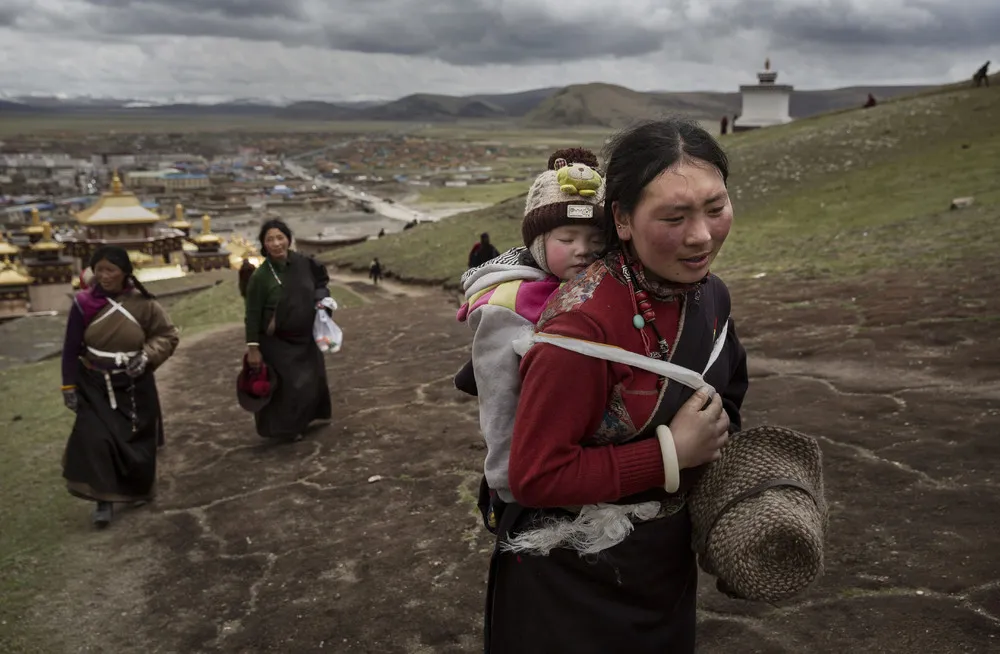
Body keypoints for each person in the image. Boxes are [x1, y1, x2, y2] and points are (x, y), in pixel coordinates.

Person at [484, 118, 749, 653]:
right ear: (622, 219)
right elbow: (535, 475)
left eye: (715, 208)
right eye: (674, 217)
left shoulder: (708, 294)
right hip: (567, 586)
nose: (701, 236)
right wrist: (669, 454)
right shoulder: (580, 330)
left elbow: (729, 394)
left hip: (661, 565)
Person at [456, 147, 605, 533]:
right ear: (538, 243)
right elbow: (499, 397)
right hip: (533, 469)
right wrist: (507, 480)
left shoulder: (598, 285)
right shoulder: (509, 304)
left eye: (595, 238)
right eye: (566, 238)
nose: (583, 250)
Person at [60, 246, 180, 528]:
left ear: (125, 272)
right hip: (94, 382)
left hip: (134, 383)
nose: (104, 276)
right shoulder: (83, 303)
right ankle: (103, 500)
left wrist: (147, 356)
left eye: (110, 270)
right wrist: (68, 387)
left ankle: (137, 488)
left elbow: (167, 335)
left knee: (135, 440)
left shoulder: (144, 304)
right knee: (96, 438)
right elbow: (70, 348)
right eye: (99, 270)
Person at [243, 219, 333, 442]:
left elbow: (321, 280)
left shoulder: (304, 263)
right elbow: (252, 314)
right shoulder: (261, 277)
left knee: (311, 380)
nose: (276, 243)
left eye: (280, 237)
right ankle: (287, 429)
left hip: (306, 336)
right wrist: (253, 348)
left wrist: (321, 298)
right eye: (270, 240)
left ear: (288, 239)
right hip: (277, 342)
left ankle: (307, 419)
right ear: (264, 245)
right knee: (289, 387)